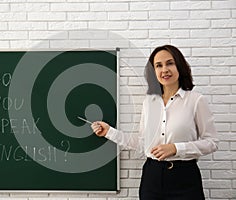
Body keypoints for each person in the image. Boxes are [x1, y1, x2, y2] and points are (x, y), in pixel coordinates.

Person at [91, 45, 218, 200]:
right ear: (154, 71)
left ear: (179, 66)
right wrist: (109, 132)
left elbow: (211, 142)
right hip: (152, 178)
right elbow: (143, 142)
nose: (164, 70)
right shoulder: (149, 102)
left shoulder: (196, 100)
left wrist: (176, 148)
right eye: (158, 65)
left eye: (170, 63)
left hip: (185, 178)